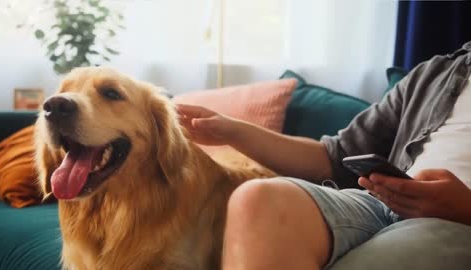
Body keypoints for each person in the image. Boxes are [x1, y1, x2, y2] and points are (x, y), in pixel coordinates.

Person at [177, 42, 471, 270]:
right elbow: (333, 158)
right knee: (257, 198)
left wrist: (463, 207)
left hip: (456, 220)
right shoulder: (438, 74)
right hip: (379, 206)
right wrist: (231, 131)